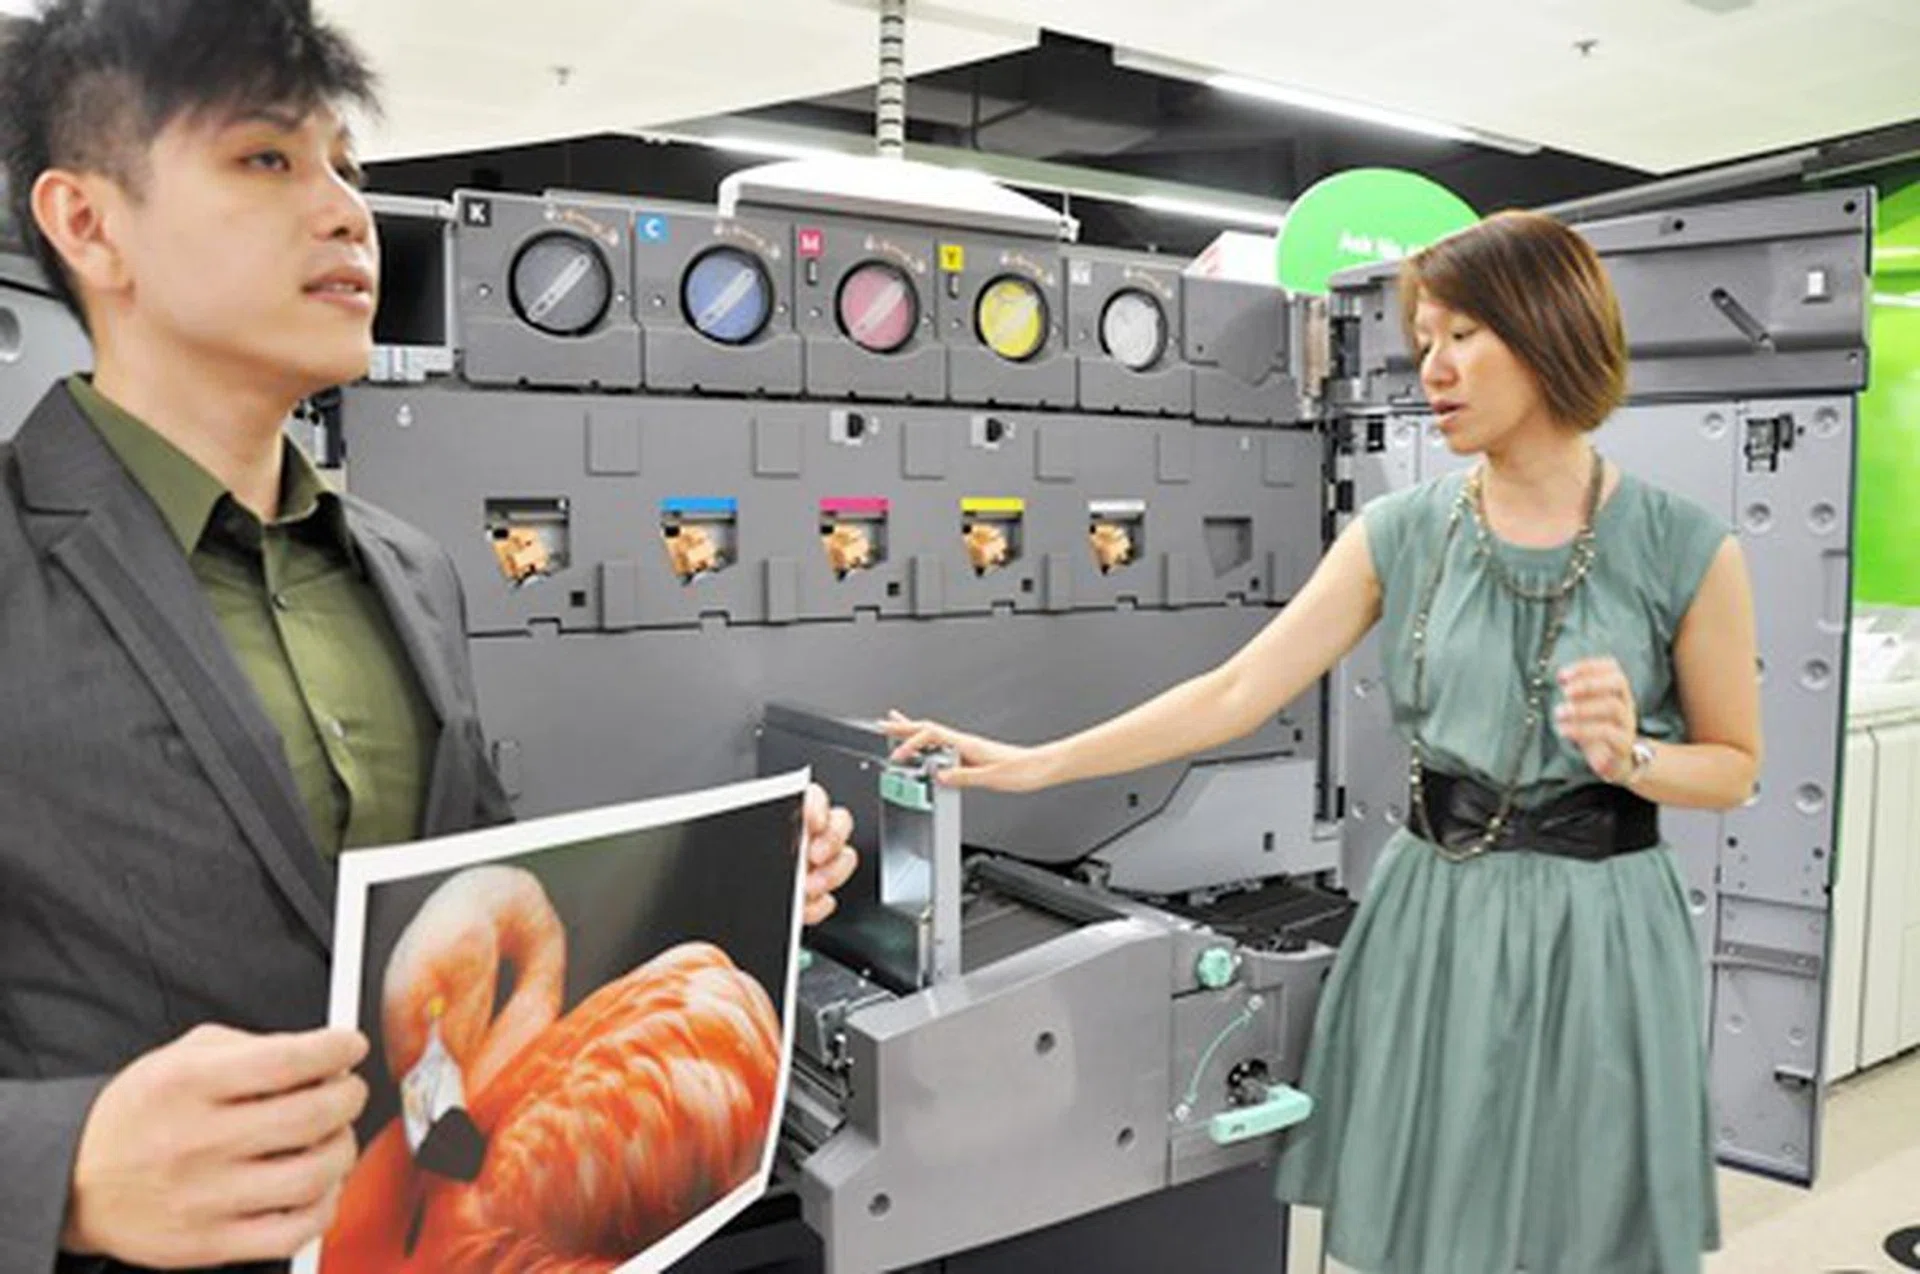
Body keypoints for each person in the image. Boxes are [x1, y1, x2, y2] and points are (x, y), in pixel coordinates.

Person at [0, 2, 858, 1270]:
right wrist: (56, 1165)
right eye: (266, 160)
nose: (346, 210)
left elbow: (476, 887)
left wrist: (741, 871)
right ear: (90, 223)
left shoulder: (408, 568)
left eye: (347, 165)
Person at [886, 209, 1761, 1274]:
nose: (1431, 367)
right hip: (1439, 911)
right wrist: (1035, 762)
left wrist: (1636, 758)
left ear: (1549, 332)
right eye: (1422, 340)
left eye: (1461, 337)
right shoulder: (1400, 531)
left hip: (1603, 928)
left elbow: (1734, 765)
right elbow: (1237, 689)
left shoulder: (1684, 548)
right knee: (1434, 1233)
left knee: (1583, 1231)